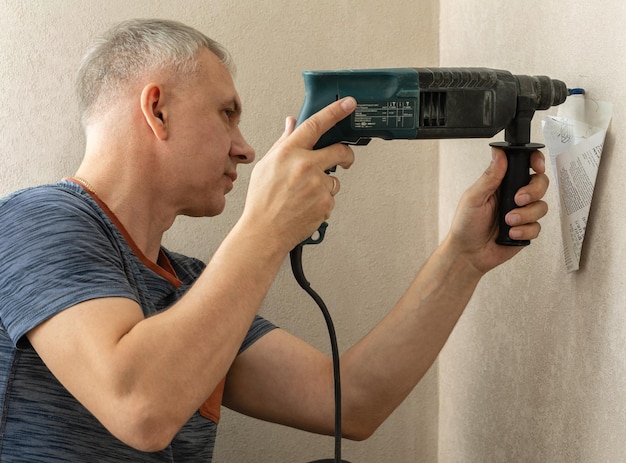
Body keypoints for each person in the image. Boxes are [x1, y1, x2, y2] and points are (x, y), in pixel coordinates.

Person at [0, 19, 549, 462]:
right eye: (227, 114)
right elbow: (141, 406)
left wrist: (463, 258)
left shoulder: (191, 287)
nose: (244, 148)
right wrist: (265, 227)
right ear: (157, 109)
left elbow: (350, 402)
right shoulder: (35, 219)